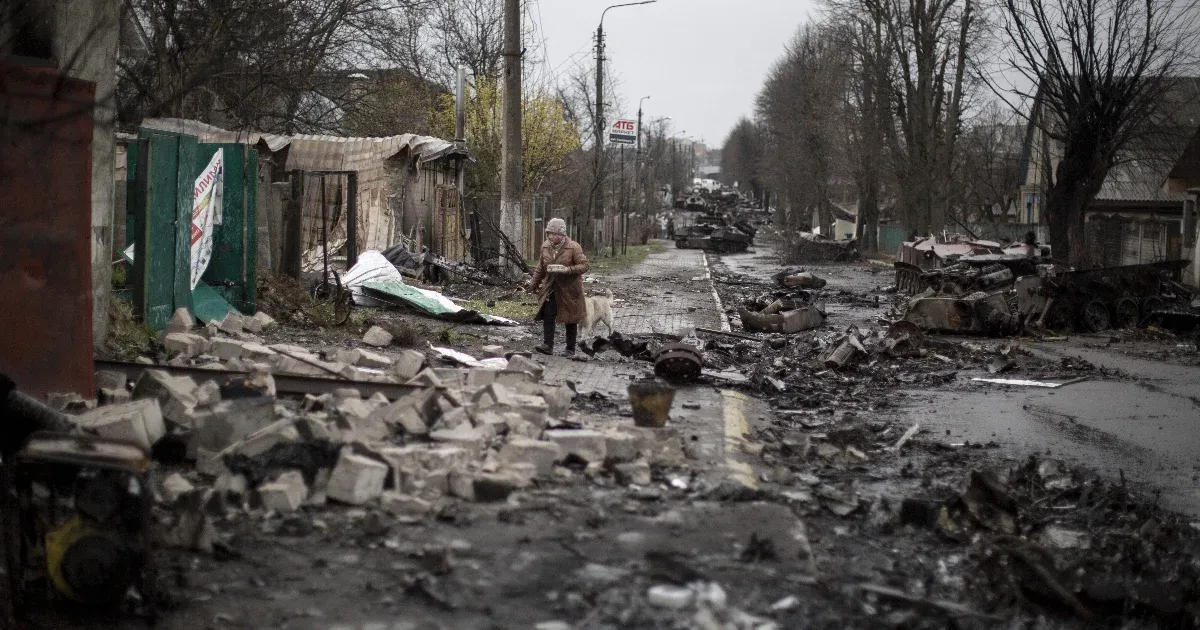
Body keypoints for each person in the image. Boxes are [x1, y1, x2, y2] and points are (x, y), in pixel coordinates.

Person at [528, 218, 589, 357]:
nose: (550, 236)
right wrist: (533, 284)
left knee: (571, 317)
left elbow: (584, 266)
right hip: (552, 287)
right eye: (548, 233)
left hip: (570, 289)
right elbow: (540, 268)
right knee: (548, 314)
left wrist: (567, 270)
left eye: (553, 233)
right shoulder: (545, 247)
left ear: (561, 234)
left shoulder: (573, 247)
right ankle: (547, 345)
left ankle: (570, 348)